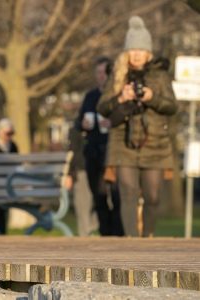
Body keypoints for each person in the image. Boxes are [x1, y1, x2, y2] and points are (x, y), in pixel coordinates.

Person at [97, 16, 177, 237]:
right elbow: (102, 107)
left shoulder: (160, 75)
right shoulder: (117, 75)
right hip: (123, 143)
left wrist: (152, 97)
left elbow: (172, 107)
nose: (137, 54)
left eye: (141, 49)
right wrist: (120, 99)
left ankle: (148, 235)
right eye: (133, 49)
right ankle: (132, 240)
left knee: (153, 196)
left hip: (155, 144)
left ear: (148, 51)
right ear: (127, 52)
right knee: (128, 193)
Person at [76, 57, 124, 236]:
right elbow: (78, 123)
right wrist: (83, 124)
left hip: (113, 152)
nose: (102, 76)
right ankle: (105, 234)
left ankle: (118, 234)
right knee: (98, 197)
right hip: (93, 152)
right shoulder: (90, 97)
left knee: (116, 197)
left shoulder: (118, 96)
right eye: (99, 73)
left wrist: (113, 123)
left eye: (105, 72)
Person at [65, 126, 98, 236]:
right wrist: (69, 173)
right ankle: (85, 233)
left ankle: (87, 228)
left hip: (98, 168)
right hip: (82, 169)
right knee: (83, 205)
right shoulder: (76, 128)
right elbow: (72, 152)